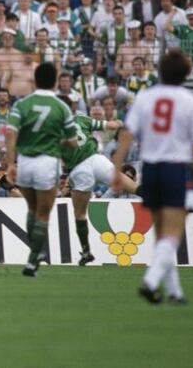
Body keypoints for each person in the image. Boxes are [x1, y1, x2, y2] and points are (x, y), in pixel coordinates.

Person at [112, 50, 193, 304]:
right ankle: (150, 281)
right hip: (176, 168)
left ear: (160, 71)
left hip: (150, 169)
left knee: (161, 233)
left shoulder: (146, 97)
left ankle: (175, 292)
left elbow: (126, 134)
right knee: (173, 234)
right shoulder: (190, 101)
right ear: (186, 75)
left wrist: (116, 167)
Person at [6, 62, 78, 277]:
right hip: (48, 162)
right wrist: (57, 143)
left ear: (35, 80)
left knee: (31, 209)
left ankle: (34, 253)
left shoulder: (22, 104)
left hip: (26, 161)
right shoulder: (62, 107)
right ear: (55, 82)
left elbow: (10, 133)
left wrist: (11, 163)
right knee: (43, 214)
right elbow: (73, 142)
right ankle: (32, 260)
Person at [58, 95, 138, 266]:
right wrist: (121, 122)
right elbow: (110, 125)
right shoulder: (81, 118)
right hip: (96, 159)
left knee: (80, 214)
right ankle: (159, 199)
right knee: (132, 186)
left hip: (79, 171)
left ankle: (86, 252)